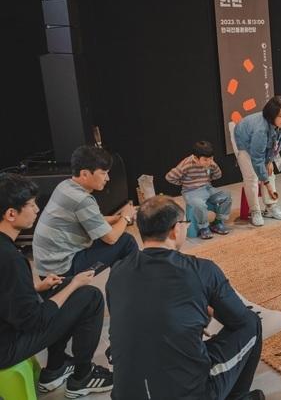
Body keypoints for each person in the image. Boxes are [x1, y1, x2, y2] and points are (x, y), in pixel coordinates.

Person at [107, 195, 263, 400]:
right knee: (251, 323)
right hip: (190, 393)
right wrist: (207, 309)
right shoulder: (202, 270)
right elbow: (239, 319)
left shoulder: (118, 271)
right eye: (185, 223)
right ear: (175, 229)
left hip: (125, 394)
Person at [0, 173, 113, 398]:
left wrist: (35, 288)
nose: (36, 210)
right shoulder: (11, 258)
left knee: (65, 289)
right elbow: (34, 321)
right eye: (31, 205)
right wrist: (74, 284)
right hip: (6, 348)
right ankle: (82, 377)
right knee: (90, 297)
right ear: (11, 213)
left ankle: (56, 367)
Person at [33, 146, 138, 277]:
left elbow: (94, 221)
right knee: (126, 241)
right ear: (84, 174)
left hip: (47, 267)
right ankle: (136, 282)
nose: (107, 178)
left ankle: (122, 282)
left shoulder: (65, 185)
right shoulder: (82, 200)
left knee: (118, 243)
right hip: (61, 270)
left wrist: (118, 218)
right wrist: (125, 217)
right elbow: (111, 239)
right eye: (103, 173)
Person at [234, 95, 281, 227]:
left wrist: (270, 161)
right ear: (272, 115)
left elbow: (278, 144)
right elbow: (257, 158)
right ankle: (255, 210)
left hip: (264, 143)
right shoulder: (261, 130)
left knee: (269, 171)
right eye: (280, 116)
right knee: (251, 177)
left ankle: (271, 206)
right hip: (245, 140)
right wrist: (267, 184)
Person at [166, 140, 232, 239]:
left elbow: (218, 175)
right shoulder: (186, 164)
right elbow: (169, 177)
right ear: (196, 158)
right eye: (205, 160)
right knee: (199, 205)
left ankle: (217, 222)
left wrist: (213, 166)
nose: (209, 161)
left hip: (207, 188)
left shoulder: (210, 162)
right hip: (191, 191)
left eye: (211, 158)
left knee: (226, 195)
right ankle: (204, 227)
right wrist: (183, 183)